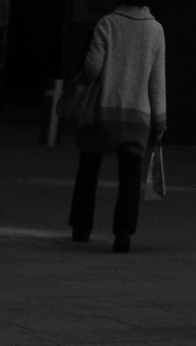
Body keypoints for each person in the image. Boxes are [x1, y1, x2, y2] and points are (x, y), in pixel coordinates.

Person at [67, 2, 166, 254]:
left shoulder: (107, 24)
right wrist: (160, 120)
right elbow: (157, 80)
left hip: (103, 113)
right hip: (138, 118)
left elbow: (91, 68)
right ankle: (123, 233)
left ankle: (81, 227)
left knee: (88, 168)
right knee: (130, 177)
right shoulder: (155, 30)